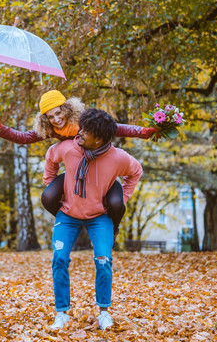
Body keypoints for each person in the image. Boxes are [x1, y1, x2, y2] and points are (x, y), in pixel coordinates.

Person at [0, 90, 156, 236]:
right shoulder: (51, 128)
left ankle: (113, 228)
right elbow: (24, 137)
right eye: (50, 117)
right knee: (48, 197)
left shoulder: (84, 121)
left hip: (101, 168)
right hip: (76, 172)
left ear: (67, 108)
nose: (56, 119)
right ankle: (71, 222)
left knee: (117, 204)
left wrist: (143, 132)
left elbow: (116, 128)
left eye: (58, 113)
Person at [42, 108, 143, 330]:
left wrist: (123, 197)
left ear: (99, 138)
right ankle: (62, 314)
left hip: (99, 217)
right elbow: (51, 156)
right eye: (81, 127)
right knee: (59, 258)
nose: (79, 133)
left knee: (104, 260)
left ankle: (104, 312)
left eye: (86, 131)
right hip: (68, 214)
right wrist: (50, 183)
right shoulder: (69, 148)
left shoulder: (118, 158)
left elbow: (136, 172)